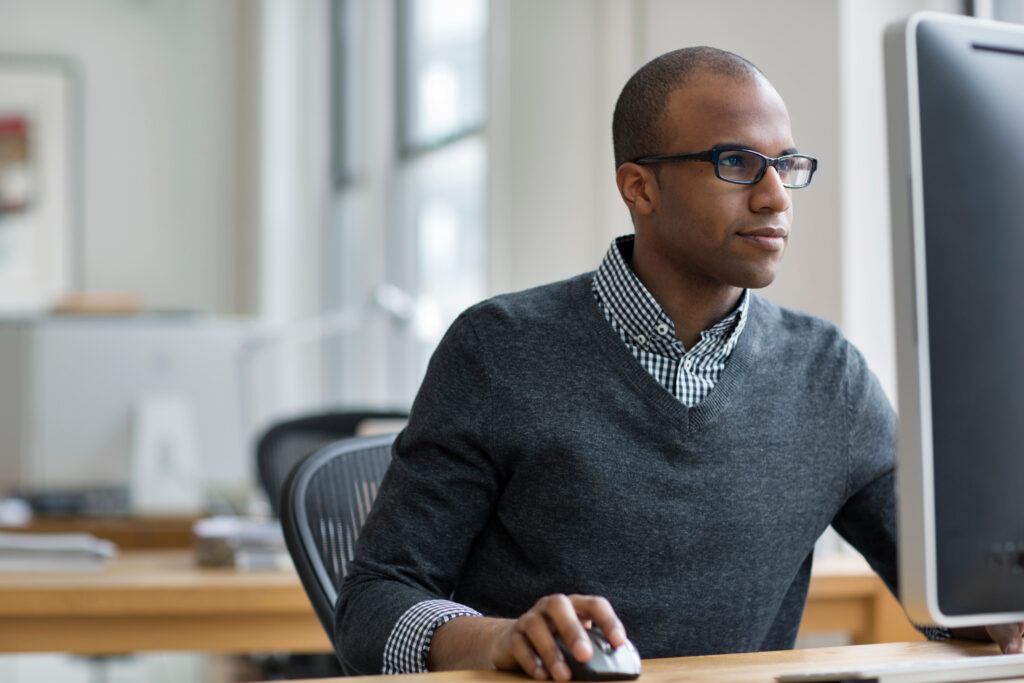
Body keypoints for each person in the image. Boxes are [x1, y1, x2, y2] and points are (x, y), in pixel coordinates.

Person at [335, 46, 1024, 679]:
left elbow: (949, 589)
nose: (775, 196)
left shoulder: (829, 375)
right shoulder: (498, 349)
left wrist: (996, 607)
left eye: (785, 165)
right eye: (736, 163)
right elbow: (372, 603)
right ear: (639, 188)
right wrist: (495, 638)